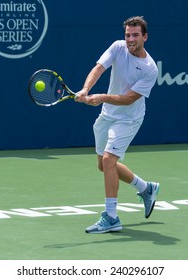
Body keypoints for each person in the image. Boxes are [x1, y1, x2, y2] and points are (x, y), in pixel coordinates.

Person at [75, 16, 160, 234]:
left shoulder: (150, 68)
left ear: (145, 37)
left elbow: (129, 98)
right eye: (128, 35)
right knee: (104, 166)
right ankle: (146, 188)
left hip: (129, 119)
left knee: (108, 160)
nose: (130, 39)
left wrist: (101, 97)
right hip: (108, 115)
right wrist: (85, 89)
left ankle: (111, 217)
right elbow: (98, 68)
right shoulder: (117, 47)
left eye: (135, 35)